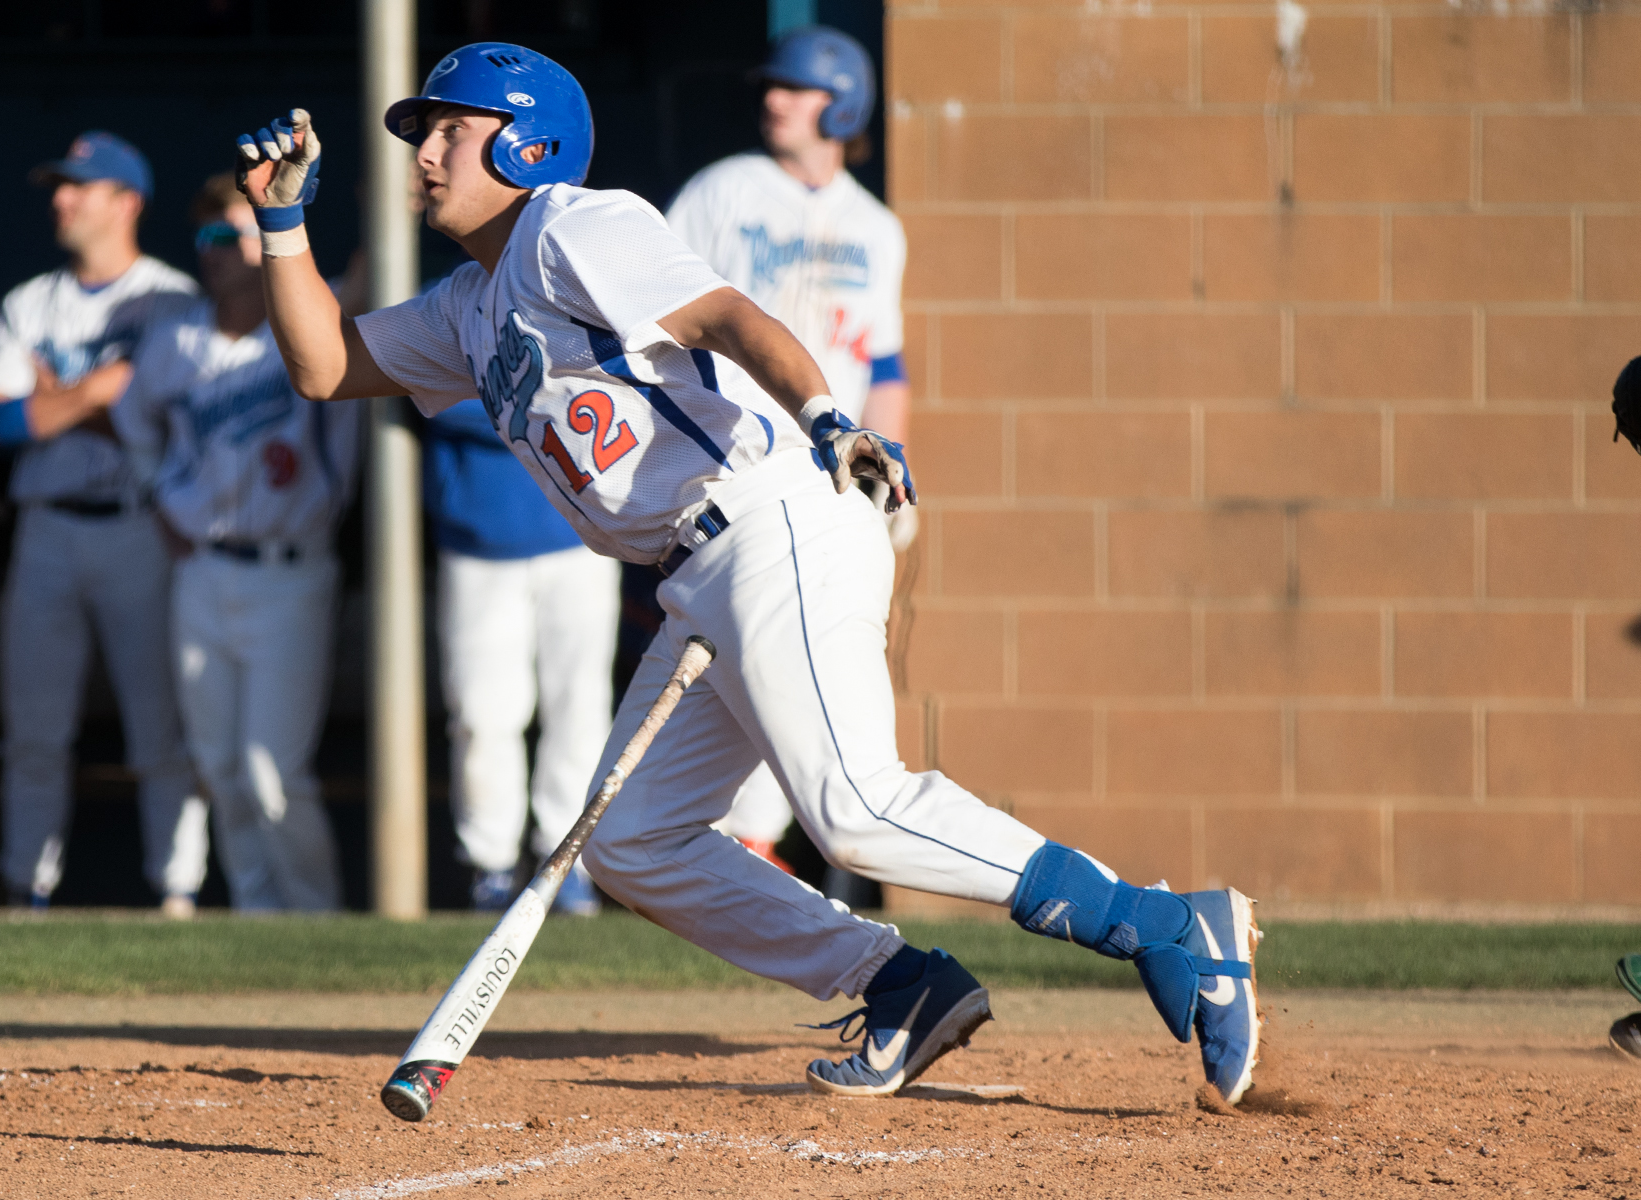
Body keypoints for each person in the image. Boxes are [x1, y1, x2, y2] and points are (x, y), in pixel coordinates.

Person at [232, 43, 1262, 1105]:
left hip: (772, 523)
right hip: (698, 578)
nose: (426, 153)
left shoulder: (570, 225)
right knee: (631, 843)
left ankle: (1165, 924)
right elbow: (324, 367)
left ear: (528, 143)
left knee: (855, 807)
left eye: (451, 128)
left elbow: (724, 315)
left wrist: (827, 413)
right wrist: (280, 222)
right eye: (423, 133)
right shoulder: (466, 302)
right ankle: (898, 981)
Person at [667, 25, 910, 884]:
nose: (773, 98)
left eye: (796, 88)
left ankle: (761, 871)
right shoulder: (725, 189)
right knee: (739, 686)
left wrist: (897, 481)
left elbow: (885, 363)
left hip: (834, 483)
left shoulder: (877, 228)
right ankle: (738, 865)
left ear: (841, 103)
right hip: (735, 469)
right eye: (772, 85)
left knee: (816, 694)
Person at [0, 132, 208, 914]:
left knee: (161, 730)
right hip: (49, 529)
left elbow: (181, 431)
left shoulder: (173, 302)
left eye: (81, 187)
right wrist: (101, 393)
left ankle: (178, 898)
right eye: (61, 187)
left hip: (142, 526)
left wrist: (54, 405)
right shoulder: (29, 303)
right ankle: (25, 893)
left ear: (127, 201)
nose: (63, 199)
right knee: (34, 730)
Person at [113, 175, 357, 911]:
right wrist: (159, 495)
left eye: (229, 236)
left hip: (291, 570)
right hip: (204, 570)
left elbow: (379, 264)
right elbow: (133, 423)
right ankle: (258, 920)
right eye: (206, 239)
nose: (213, 253)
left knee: (271, 771)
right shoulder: (175, 338)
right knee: (219, 765)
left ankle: (316, 923)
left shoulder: (322, 315)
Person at [423, 397, 618, 916]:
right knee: (482, 714)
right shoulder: (444, 312)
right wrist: (544, 407)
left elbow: (609, 394)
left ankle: (569, 860)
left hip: (583, 531)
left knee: (579, 707)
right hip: (478, 536)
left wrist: (529, 403)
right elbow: (427, 395)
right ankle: (490, 865)